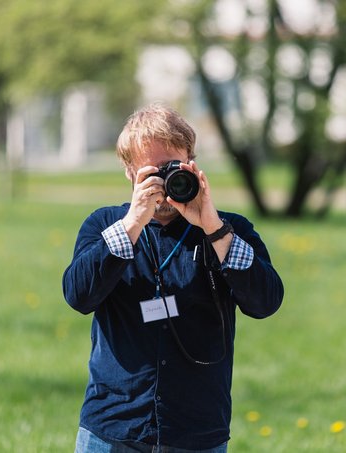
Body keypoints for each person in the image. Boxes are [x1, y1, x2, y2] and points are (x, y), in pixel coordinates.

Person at [62, 102, 284, 453]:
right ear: (129, 172)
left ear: (192, 164)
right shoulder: (104, 225)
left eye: (172, 169)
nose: (164, 184)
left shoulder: (229, 230)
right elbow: (78, 295)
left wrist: (212, 227)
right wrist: (133, 223)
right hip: (113, 426)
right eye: (152, 172)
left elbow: (266, 301)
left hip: (196, 429)